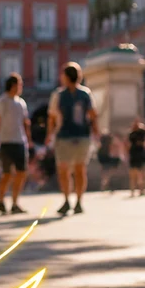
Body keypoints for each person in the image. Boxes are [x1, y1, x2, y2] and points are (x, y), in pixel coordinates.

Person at [48, 62, 96, 215]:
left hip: (77, 136)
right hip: (67, 136)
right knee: (69, 170)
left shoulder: (84, 94)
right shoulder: (59, 95)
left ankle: (77, 201)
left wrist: (49, 134)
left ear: (66, 77)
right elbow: (52, 117)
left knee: (76, 169)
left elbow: (92, 115)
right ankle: (69, 201)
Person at [0, 73, 32, 214]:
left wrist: (29, 139)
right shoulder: (2, 101)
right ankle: (1, 201)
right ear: (13, 85)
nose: (21, 87)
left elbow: (25, 122)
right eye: (19, 84)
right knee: (6, 174)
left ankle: (15, 203)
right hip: (6, 142)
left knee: (21, 172)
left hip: (19, 141)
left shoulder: (21, 103)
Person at [127, 117, 145, 197]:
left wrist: (143, 127)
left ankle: (142, 189)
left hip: (141, 154)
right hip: (134, 154)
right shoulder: (132, 133)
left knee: (142, 173)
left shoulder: (142, 132)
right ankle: (133, 190)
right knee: (134, 174)